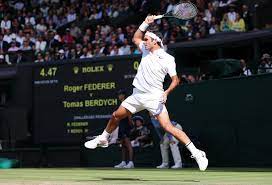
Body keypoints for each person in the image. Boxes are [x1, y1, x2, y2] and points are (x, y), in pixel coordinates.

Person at [84, 15, 208, 171]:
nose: (144, 41)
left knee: (168, 127)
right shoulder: (145, 49)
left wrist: (167, 92)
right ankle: (103, 138)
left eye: (147, 39)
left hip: (155, 97)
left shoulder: (168, 58)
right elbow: (136, 37)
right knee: (116, 115)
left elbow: (175, 80)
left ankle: (197, 154)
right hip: (137, 95)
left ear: (155, 41)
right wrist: (145, 22)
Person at [113, 89, 134, 169]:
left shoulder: (126, 102)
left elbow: (129, 114)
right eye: (118, 94)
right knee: (122, 145)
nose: (119, 96)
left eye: (120, 94)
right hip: (121, 125)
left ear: (123, 95)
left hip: (126, 125)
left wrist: (131, 124)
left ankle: (131, 162)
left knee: (128, 144)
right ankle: (123, 162)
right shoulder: (121, 103)